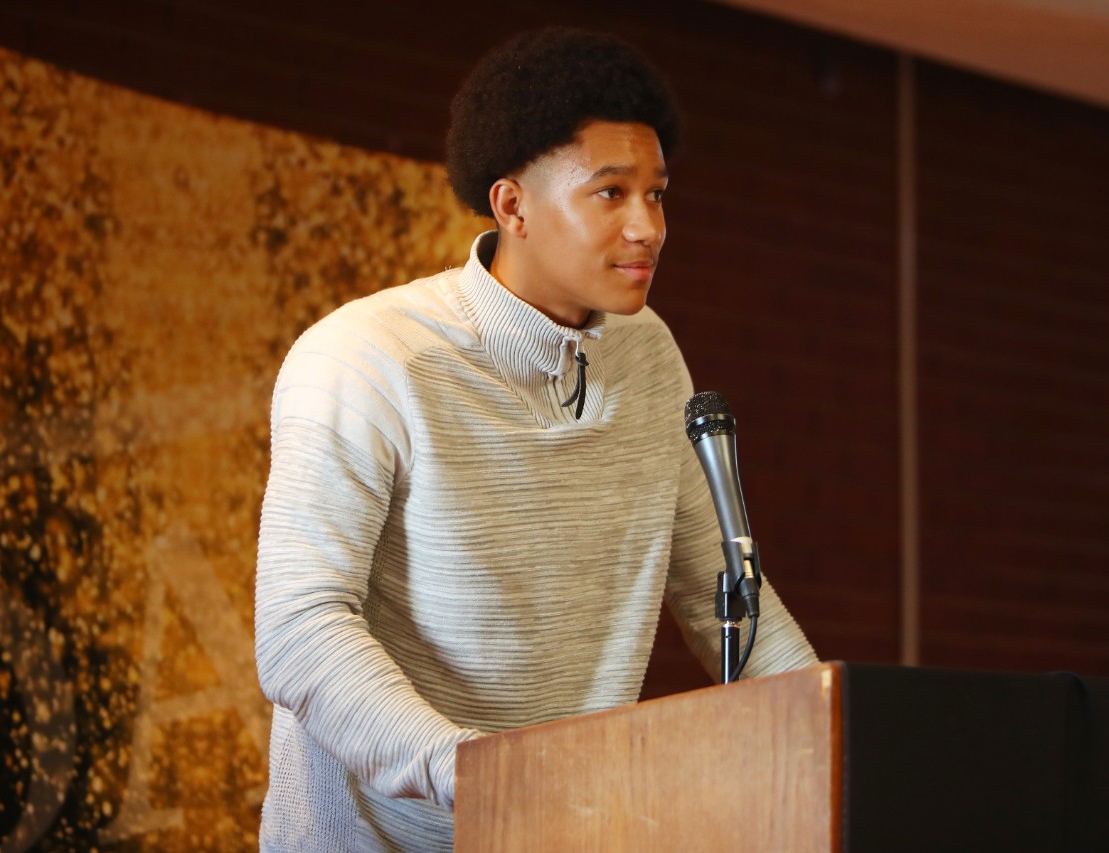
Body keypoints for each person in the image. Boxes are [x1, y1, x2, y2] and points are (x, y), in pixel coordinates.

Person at [254, 26, 819, 852]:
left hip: (556, 833)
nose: (649, 227)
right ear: (511, 204)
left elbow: (722, 596)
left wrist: (839, 742)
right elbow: (301, 629)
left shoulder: (648, 352)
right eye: (611, 192)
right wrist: (478, 775)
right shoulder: (366, 357)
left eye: (657, 194)